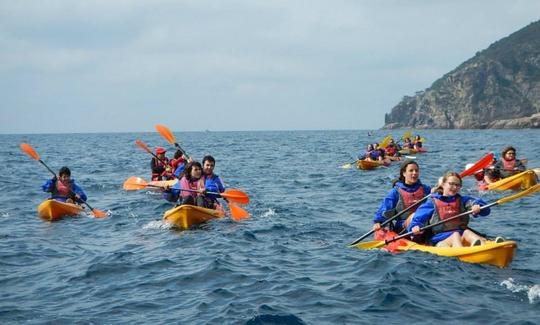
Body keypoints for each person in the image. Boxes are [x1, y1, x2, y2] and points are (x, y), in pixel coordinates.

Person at [408, 171, 494, 247]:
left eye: (457, 185)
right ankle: (463, 253)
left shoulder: (463, 200)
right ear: (443, 184)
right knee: (455, 235)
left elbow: (486, 211)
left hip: (461, 234)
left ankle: (485, 246)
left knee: (467, 232)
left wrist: (477, 206)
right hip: (439, 239)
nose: (454, 187)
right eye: (451, 184)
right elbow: (418, 219)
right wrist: (415, 226)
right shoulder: (432, 202)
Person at [372, 160, 431, 234]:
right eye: (411, 171)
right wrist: (378, 221)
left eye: (416, 171)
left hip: (423, 224)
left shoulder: (425, 189)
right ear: (404, 173)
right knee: (414, 216)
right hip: (403, 227)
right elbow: (385, 208)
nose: (414, 173)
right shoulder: (396, 192)